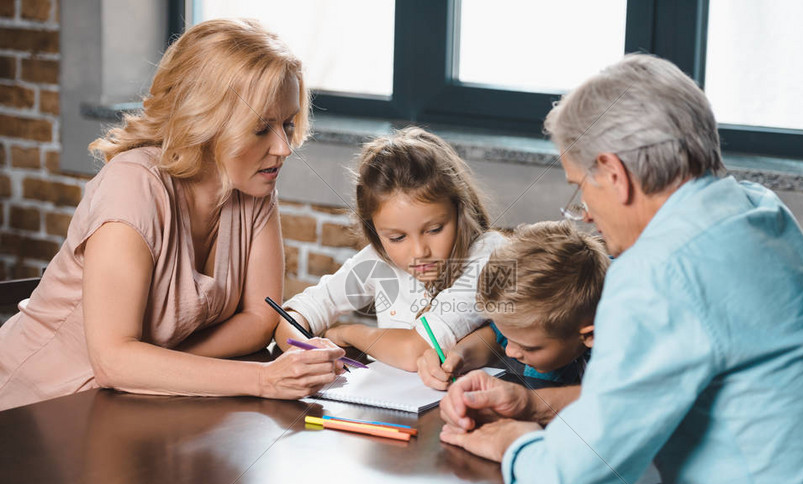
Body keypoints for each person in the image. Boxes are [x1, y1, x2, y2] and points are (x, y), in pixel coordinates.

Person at [440, 54, 803, 484]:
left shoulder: (659, 274)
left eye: (581, 186)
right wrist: (533, 405)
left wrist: (512, 443)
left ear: (614, 174)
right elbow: (666, 390)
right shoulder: (756, 211)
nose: (586, 212)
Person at [0, 19, 346, 411]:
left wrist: (162, 365)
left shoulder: (253, 185)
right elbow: (114, 361)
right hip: (34, 408)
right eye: (261, 129)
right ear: (207, 121)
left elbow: (258, 320)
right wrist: (264, 379)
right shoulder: (133, 185)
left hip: (127, 406)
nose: (283, 147)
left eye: (286, 124)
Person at [274, 127, 507, 371]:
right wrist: (307, 352)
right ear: (375, 231)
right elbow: (292, 317)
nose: (419, 252)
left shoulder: (490, 255)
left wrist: (347, 333)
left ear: (460, 211)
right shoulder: (379, 260)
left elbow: (415, 352)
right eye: (397, 237)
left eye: (435, 229)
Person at [417, 220, 608, 390]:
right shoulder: (534, 324)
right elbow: (495, 336)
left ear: (589, 334)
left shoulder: (614, 365)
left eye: (529, 348)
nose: (510, 351)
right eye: (509, 338)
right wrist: (458, 355)